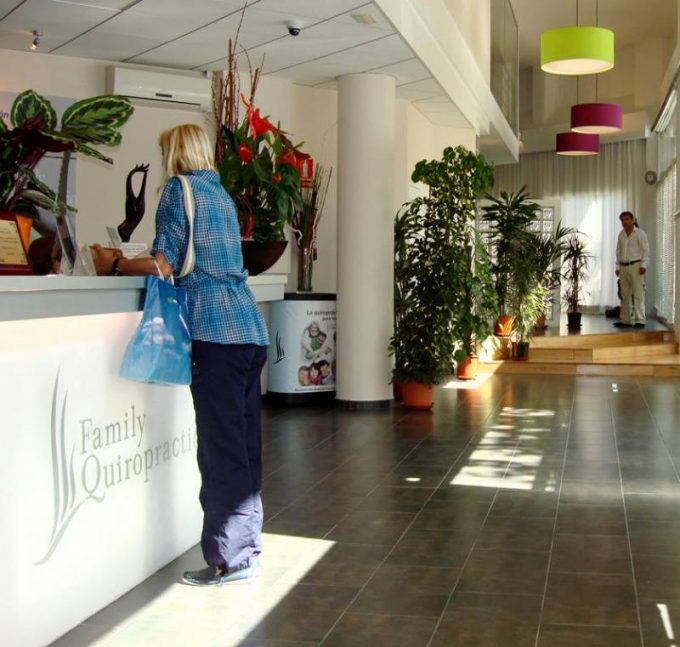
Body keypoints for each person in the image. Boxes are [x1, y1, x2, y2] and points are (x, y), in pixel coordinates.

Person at [93, 124, 269, 586]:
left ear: (174, 152)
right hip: (249, 331)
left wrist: (114, 263)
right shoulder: (222, 196)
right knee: (243, 447)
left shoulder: (178, 189)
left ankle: (228, 560)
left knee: (220, 450)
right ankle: (245, 550)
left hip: (215, 335)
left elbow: (162, 264)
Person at [614, 211, 649, 329]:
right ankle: (625, 320)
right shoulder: (621, 235)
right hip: (623, 267)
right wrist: (617, 267)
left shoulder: (640, 233)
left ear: (632, 220)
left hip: (636, 266)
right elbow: (618, 252)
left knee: (638, 293)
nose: (624, 222)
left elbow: (646, 250)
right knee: (625, 294)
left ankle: (640, 320)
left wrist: (643, 265)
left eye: (627, 219)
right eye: (622, 220)